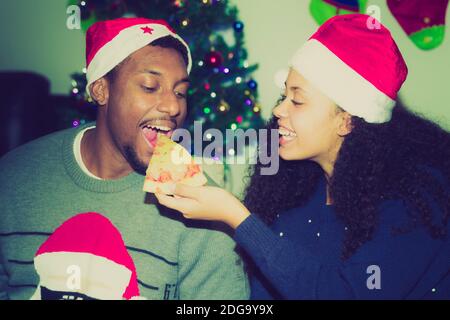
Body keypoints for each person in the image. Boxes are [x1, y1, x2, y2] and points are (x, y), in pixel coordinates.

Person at [155, 14, 450, 299]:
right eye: (284, 96)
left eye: (297, 100)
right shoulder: (299, 189)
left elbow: (348, 293)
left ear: (346, 120)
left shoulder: (418, 202)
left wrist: (237, 217)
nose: (279, 110)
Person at [0, 17, 249, 300]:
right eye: (150, 86)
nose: (172, 106)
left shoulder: (202, 206)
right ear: (101, 90)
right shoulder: (12, 177)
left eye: (180, 92)